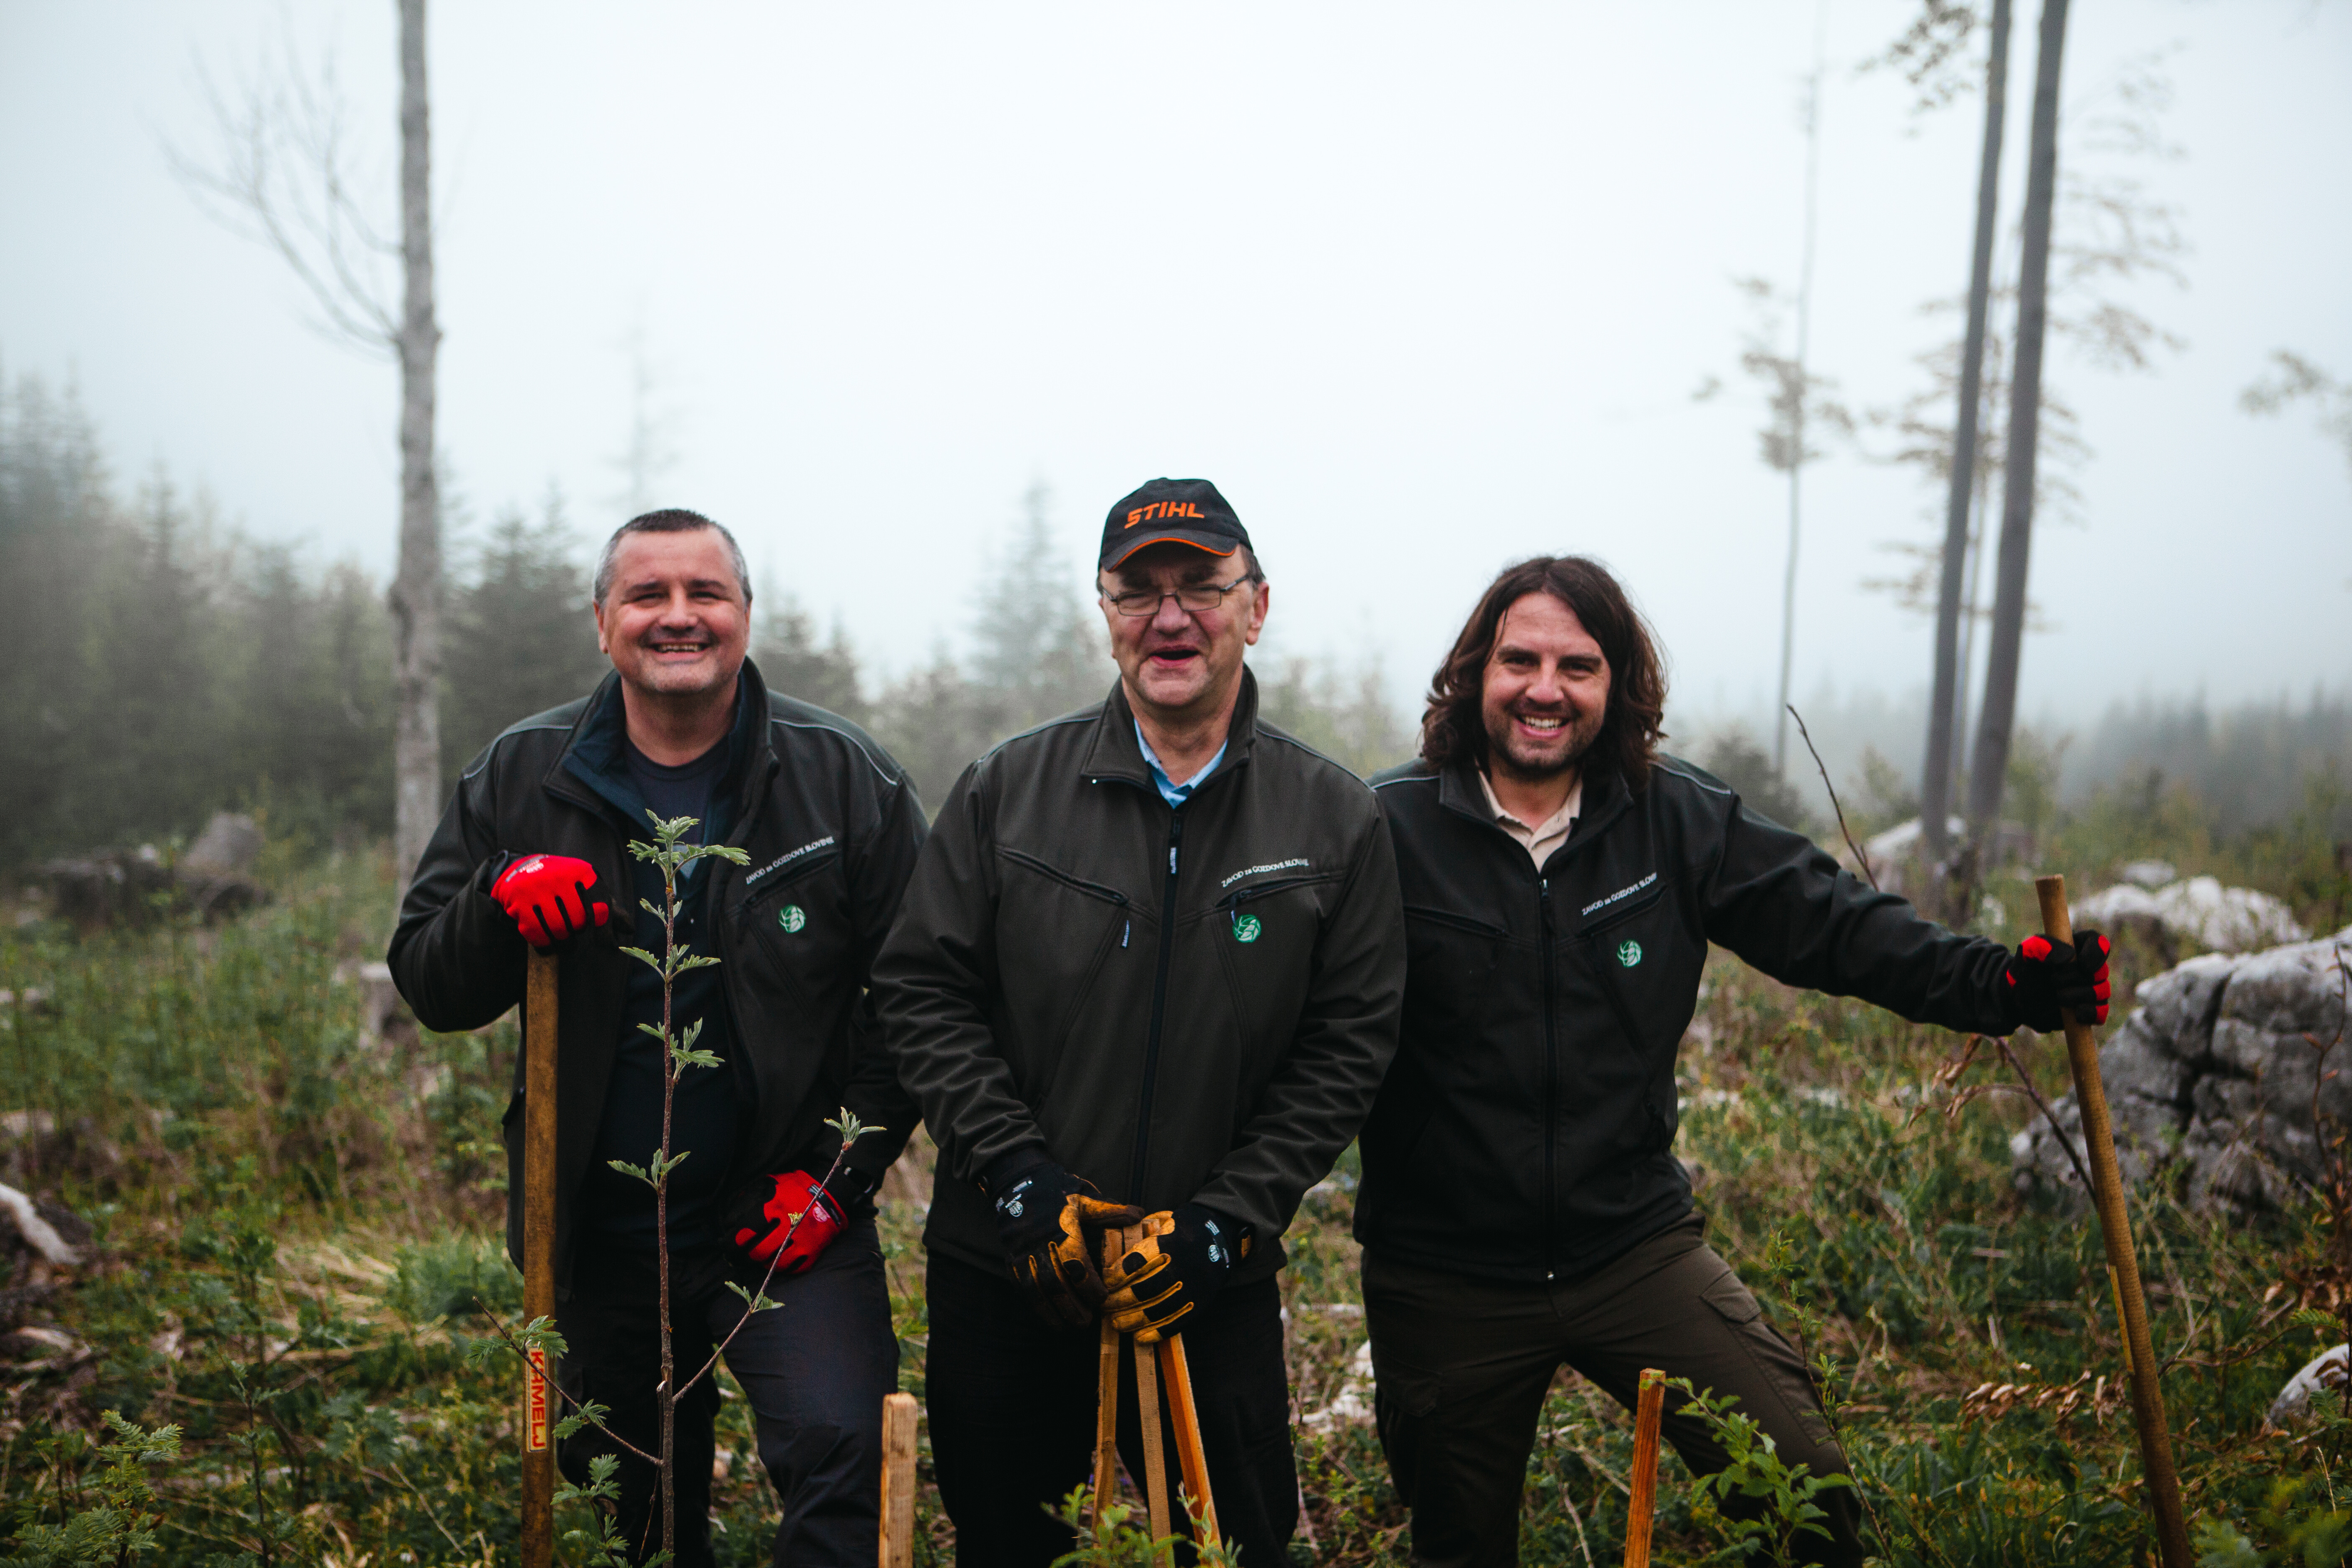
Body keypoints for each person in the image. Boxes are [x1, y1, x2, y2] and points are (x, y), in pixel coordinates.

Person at [1360, 556, 2111, 1568]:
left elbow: (1839, 929)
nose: (1546, 688)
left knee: (1807, 1494)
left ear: (1616, 685)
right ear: (1475, 672)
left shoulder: (1677, 819)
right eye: (1521, 660)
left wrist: (2006, 987)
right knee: (1459, 1547)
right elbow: (1278, 1009)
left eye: (1578, 666)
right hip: (1445, 1275)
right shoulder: (1385, 829)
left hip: (1630, 1247)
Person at [877, 478, 1408, 1567]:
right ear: (1106, 610)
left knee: (1229, 1548)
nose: (1170, 617)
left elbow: (1350, 1043)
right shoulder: (1006, 792)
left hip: (1208, 1281)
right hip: (1011, 1267)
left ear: (1256, 607)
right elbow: (923, 991)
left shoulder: (1332, 817)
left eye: (1201, 587)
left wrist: (1230, 1220)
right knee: (1009, 1546)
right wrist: (1016, 1177)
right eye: (1138, 591)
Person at [387, 508, 926, 1568]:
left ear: (745, 618)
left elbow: (923, 998)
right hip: (595, 1230)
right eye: (647, 596)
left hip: (784, 1224)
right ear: (602, 623)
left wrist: (835, 1176)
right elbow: (430, 984)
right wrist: (499, 900)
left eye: (705, 594)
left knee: (840, 1450)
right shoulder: (521, 776)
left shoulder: (846, 778)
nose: (678, 617)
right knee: (629, 1510)